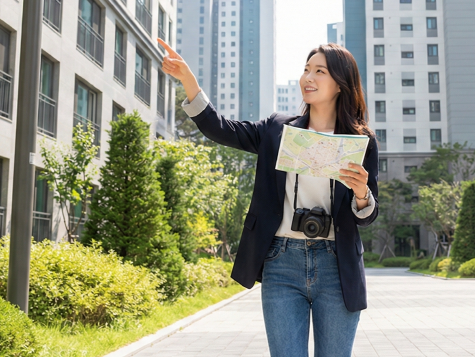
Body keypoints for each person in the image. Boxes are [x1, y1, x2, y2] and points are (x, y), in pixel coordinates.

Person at [158, 38, 379, 357]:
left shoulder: (360, 141)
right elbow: (222, 129)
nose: (308, 78)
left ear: (341, 84)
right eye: (306, 70)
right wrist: (189, 82)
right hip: (282, 261)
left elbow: (369, 215)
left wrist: (361, 193)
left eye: (320, 71)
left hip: (337, 266)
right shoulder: (278, 129)